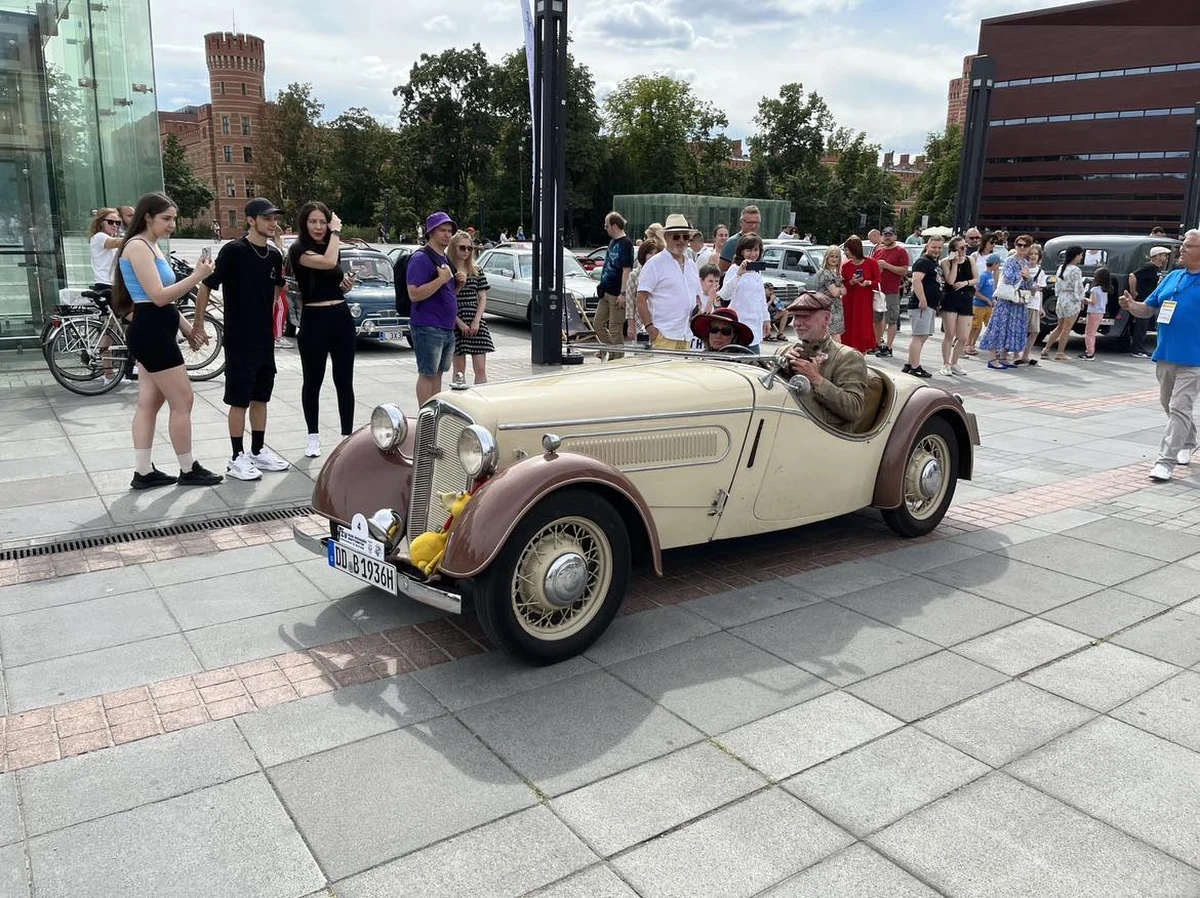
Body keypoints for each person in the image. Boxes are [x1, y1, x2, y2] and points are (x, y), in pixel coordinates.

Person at [110, 192, 222, 489]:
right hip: (152, 334)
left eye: (173, 218)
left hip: (155, 329)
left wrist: (187, 328)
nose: (172, 224)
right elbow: (158, 297)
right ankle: (188, 469)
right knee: (182, 400)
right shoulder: (137, 247)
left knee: (149, 402)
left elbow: (162, 303)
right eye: (166, 218)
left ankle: (144, 472)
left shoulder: (151, 246)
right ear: (147, 217)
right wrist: (198, 276)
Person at [193, 197, 290, 481]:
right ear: (251, 220)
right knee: (239, 400)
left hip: (264, 338)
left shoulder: (273, 256)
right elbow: (206, 286)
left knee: (261, 397)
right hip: (239, 338)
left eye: (275, 218)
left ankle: (258, 451)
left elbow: (276, 290)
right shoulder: (234, 250)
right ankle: (237, 457)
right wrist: (198, 324)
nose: (273, 223)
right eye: (267, 218)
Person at [1119, 230, 1200, 481]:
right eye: (1182, 245)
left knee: (1179, 405)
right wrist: (1131, 306)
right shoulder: (1172, 277)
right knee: (1169, 404)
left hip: (1195, 358)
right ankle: (1188, 440)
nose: (1181, 249)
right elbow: (1148, 309)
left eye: (1187, 245)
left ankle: (1165, 462)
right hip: (1166, 353)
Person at [286, 202, 356, 457]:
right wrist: (336, 233)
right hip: (314, 318)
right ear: (304, 224)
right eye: (313, 221)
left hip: (340, 316)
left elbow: (333, 277)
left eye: (323, 222)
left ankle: (347, 436)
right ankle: (313, 437)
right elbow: (327, 263)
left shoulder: (331, 246)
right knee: (312, 380)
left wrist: (345, 285)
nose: (319, 226)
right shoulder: (298, 249)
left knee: (344, 379)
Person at [782, 291, 869, 429]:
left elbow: (854, 409)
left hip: (827, 435)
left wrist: (816, 379)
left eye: (805, 316)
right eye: (795, 316)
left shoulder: (848, 357)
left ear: (826, 318)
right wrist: (782, 369)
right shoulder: (787, 351)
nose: (797, 323)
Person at [407, 211, 462, 404]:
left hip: (445, 326)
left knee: (438, 373)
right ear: (430, 232)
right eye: (442, 230)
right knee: (427, 373)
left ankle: (434, 415)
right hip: (428, 325)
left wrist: (457, 285)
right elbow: (413, 294)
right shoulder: (421, 258)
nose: (447, 234)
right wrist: (441, 279)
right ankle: (425, 416)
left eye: (449, 231)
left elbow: (445, 294)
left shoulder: (444, 259)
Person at [636, 214, 701, 350]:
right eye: (676, 236)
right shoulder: (655, 263)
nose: (681, 240)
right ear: (666, 237)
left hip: (686, 335)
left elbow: (696, 297)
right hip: (663, 335)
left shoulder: (691, 264)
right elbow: (640, 298)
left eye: (685, 236)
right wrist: (650, 328)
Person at [980, 234, 1036, 369]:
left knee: (1013, 328)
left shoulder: (1025, 263)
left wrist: (1027, 277)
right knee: (999, 327)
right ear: (1015, 246)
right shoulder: (1010, 260)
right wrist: (1022, 275)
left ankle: (1004, 356)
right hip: (1007, 301)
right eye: (1019, 245)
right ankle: (992, 358)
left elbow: (1029, 283)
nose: (1022, 248)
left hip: (1019, 301)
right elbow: (1008, 278)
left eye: (1025, 245)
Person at [449, 230, 494, 384]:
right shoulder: (447, 270)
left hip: (475, 319)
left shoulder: (476, 270)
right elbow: (445, 300)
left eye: (469, 248)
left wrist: (477, 320)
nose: (466, 251)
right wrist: (459, 323)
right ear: (453, 247)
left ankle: (481, 400)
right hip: (456, 319)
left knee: (480, 368)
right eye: (462, 248)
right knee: (459, 370)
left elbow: (482, 297)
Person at [718, 234, 769, 352]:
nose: (753, 254)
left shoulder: (757, 272)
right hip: (739, 325)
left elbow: (761, 299)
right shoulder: (734, 269)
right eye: (749, 250)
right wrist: (738, 274)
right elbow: (724, 295)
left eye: (756, 250)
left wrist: (766, 319)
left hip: (755, 326)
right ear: (742, 251)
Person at [594, 212, 634, 361]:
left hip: (617, 293)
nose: (605, 229)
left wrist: (623, 294)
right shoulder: (612, 242)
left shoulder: (626, 244)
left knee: (615, 328)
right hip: (605, 291)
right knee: (598, 323)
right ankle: (608, 348)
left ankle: (617, 358)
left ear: (614, 226)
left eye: (607, 226)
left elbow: (627, 270)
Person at [905, 235, 944, 378]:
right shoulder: (922, 262)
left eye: (939, 247)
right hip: (921, 305)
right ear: (927, 245)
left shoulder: (934, 263)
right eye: (934, 247)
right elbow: (916, 281)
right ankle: (915, 367)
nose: (936, 250)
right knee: (919, 336)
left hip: (930, 305)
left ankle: (909, 364)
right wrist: (922, 299)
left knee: (923, 336)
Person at [938, 236, 976, 376]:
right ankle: (945, 363)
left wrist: (965, 283)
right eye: (961, 247)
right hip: (951, 299)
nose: (964, 249)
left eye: (965, 246)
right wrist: (955, 263)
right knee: (949, 334)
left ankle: (955, 362)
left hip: (966, 298)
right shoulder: (945, 262)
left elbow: (975, 278)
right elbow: (950, 280)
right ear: (953, 250)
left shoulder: (970, 260)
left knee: (963, 337)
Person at [1041, 245, 1085, 362]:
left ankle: (1046, 349)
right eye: (1080, 255)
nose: (1081, 257)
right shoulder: (1076, 270)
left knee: (1059, 327)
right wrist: (1081, 300)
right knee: (1067, 328)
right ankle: (1060, 352)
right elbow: (1079, 287)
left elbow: (1057, 284)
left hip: (1061, 298)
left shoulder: (1061, 267)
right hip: (1071, 298)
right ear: (1076, 255)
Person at [872, 226, 909, 358]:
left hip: (892, 290)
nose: (887, 237)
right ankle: (876, 344)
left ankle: (888, 347)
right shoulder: (878, 250)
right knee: (876, 319)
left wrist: (887, 266)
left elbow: (904, 270)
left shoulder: (901, 251)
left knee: (891, 319)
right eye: (885, 234)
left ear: (895, 237)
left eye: (890, 235)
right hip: (877, 290)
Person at [1128, 246, 1170, 358]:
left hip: (1150, 300)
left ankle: (1139, 347)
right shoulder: (1148, 267)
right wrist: (1133, 291)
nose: (1165, 257)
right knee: (1141, 325)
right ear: (1156, 256)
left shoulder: (1157, 269)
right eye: (1163, 255)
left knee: (1144, 326)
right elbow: (1132, 275)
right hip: (1143, 300)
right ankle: (1137, 349)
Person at [839, 236, 879, 353]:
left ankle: (862, 353)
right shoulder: (846, 266)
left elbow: (877, 281)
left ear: (854, 249)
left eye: (846, 250)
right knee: (849, 327)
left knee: (863, 327)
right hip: (849, 301)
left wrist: (868, 282)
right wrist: (851, 282)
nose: (845, 252)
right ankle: (849, 353)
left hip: (864, 300)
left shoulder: (871, 263)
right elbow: (844, 285)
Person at [625, 237, 663, 341]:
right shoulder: (634, 275)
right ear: (643, 255)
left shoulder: (664, 275)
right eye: (650, 253)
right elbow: (630, 303)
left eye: (656, 253)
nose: (653, 257)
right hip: (640, 324)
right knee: (642, 355)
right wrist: (630, 325)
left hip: (661, 323)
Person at [1017, 244, 1047, 366]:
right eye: (1031, 253)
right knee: (1021, 330)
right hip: (1024, 303)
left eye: (1036, 254)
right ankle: (1015, 353)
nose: (1033, 256)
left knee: (1034, 331)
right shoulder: (1024, 268)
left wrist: (1041, 307)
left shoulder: (1041, 271)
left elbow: (1040, 291)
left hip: (1034, 304)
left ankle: (1026, 354)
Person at [968, 253, 1001, 355]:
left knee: (987, 326)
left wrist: (992, 300)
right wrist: (986, 299)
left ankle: (975, 344)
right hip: (978, 305)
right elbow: (975, 291)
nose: (998, 267)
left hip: (988, 305)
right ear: (994, 264)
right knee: (975, 326)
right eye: (998, 264)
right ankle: (968, 345)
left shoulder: (990, 275)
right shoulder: (983, 276)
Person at [718, 205, 761, 274]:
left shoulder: (758, 242)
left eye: (756, 222)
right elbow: (721, 271)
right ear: (741, 222)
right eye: (750, 223)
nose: (753, 226)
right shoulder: (732, 242)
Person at [1079, 266, 1111, 360]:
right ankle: (1089, 351)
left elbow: (1093, 301)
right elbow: (1105, 302)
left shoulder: (1095, 289)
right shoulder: (1105, 290)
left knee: (1089, 333)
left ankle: (1089, 353)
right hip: (1100, 312)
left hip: (1093, 312)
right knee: (1092, 333)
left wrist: (1084, 299)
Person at [88, 208, 122, 291]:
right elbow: (117, 242)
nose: (114, 225)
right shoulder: (99, 236)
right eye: (110, 222)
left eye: (117, 223)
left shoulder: (110, 238)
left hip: (113, 283)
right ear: (101, 222)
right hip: (105, 284)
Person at [816, 245, 845, 343]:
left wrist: (839, 289)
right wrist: (840, 289)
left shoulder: (836, 273)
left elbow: (842, 291)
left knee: (834, 337)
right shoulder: (825, 273)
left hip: (836, 308)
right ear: (827, 257)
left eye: (837, 257)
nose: (834, 259)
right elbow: (835, 292)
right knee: (834, 339)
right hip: (827, 308)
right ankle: (835, 357)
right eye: (832, 256)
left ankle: (832, 357)